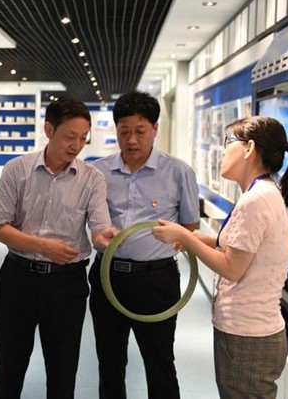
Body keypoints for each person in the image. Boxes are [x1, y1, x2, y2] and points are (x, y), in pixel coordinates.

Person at [153, 116, 288, 399]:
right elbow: (237, 247)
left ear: (249, 148)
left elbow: (232, 268)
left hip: (247, 334)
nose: (223, 150)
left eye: (228, 142)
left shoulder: (255, 200)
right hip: (253, 331)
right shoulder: (264, 193)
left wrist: (185, 235)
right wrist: (195, 239)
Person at [0, 98, 118, 399]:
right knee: (8, 367)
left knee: (63, 371)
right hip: (18, 279)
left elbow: (99, 231)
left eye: (83, 138)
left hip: (66, 285)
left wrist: (105, 238)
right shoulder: (16, 170)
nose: (77, 145)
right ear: (49, 130)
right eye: (70, 136)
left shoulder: (92, 179)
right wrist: (43, 246)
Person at [89, 91, 200, 399]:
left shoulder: (178, 172)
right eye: (124, 131)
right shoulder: (98, 172)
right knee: (110, 363)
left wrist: (172, 238)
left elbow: (189, 226)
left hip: (156, 280)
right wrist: (99, 235)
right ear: (116, 130)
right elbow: (92, 223)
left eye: (140, 131)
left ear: (155, 128)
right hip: (107, 276)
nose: (132, 140)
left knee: (160, 362)